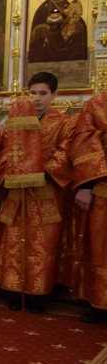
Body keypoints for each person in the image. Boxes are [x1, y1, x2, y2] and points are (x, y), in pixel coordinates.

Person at [0, 72, 76, 312]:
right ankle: (13, 290)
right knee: (15, 239)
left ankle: (39, 294)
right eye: (32, 93)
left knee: (43, 242)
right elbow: (3, 150)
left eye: (43, 93)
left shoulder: (65, 123)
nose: (37, 98)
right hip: (18, 191)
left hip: (47, 190)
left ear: (54, 95)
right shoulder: (13, 122)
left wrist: (43, 171)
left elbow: (66, 152)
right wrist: (11, 170)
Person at [67, 93, 107, 321]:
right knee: (100, 246)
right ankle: (100, 303)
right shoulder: (96, 105)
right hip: (102, 185)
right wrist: (86, 185)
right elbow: (84, 142)